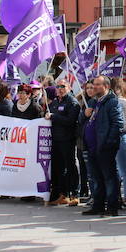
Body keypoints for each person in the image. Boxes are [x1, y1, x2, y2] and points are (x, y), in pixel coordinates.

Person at [81, 75, 123, 217]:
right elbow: (82, 120)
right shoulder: (93, 101)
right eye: (94, 84)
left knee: (109, 177)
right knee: (96, 178)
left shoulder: (112, 102)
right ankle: (98, 205)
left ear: (106, 86)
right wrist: (85, 114)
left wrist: (108, 142)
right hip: (92, 147)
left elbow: (118, 124)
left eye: (98, 84)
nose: (94, 87)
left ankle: (112, 207)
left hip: (104, 147)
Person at [46, 78, 80, 206]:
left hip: (67, 139)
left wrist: (54, 117)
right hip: (55, 139)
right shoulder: (54, 102)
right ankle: (62, 194)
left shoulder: (72, 102)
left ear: (69, 88)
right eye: (58, 86)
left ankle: (74, 194)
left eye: (62, 86)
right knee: (58, 168)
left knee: (70, 166)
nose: (60, 89)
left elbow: (70, 121)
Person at [112, 79, 126, 209]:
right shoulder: (112, 101)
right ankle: (119, 196)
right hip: (114, 138)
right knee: (116, 169)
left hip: (121, 137)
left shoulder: (122, 102)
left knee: (124, 169)